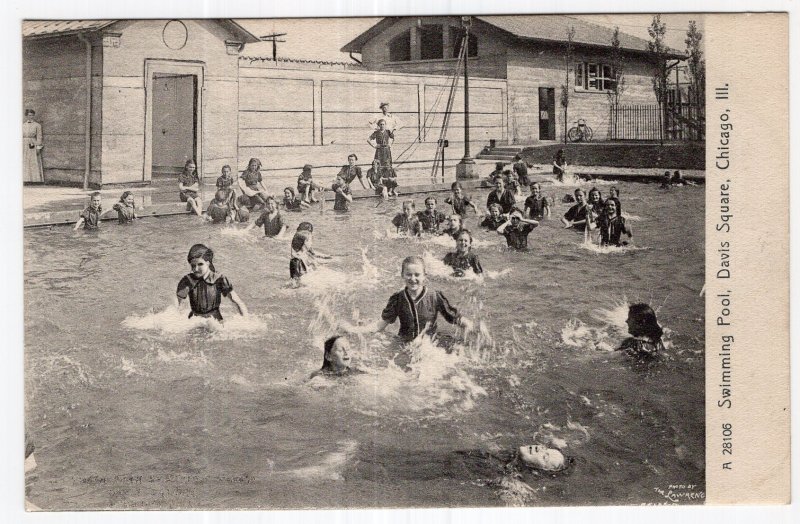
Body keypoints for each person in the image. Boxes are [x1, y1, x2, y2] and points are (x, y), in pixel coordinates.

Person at [345, 256, 473, 343]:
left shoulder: (435, 297)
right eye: (409, 274)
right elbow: (380, 325)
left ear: (424, 276)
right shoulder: (398, 299)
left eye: (417, 275)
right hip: (404, 343)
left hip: (430, 346)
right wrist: (355, 330)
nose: (413, 279)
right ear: (402, 275)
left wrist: (467, 330)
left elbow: (454, 318)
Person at [176, 243, 248, 321]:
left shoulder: (219, 279)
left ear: (208, 263)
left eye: (200, 264)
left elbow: (238, 302)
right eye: (193, 265)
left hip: (215, 321)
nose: (196, 269)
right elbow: (178, 306)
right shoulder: (187, 281)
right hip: (194, 321)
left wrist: (246, 321)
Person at [23, 108, 44, 183]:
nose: (30, 117)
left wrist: (38, 147)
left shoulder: (37, 125)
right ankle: (25, 178)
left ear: (34, 116)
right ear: (26, 116)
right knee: (24, 160)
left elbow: (39, 137)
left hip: (32, 143)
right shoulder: (23, 125)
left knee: (32, 160)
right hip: (23, 144)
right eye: (29, 115)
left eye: (32, 115)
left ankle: (34, 179)